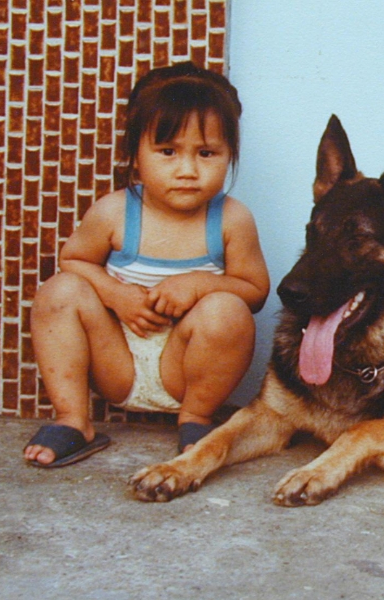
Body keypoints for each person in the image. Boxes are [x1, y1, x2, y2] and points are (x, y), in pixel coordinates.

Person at [23, 62, 270, 467]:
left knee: (228, 309)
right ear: (136, 155)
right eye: (168, 152)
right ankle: (73, 420)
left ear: (229, 156)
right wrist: (116, 295)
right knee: (59, 290)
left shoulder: (231, 219)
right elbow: (73, 260)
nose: (188, 170)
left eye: (206, 153)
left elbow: (255, 290)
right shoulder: (115, 211)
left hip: (186, 372)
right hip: (116, 360)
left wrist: (199, 284)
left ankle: (196, 420)